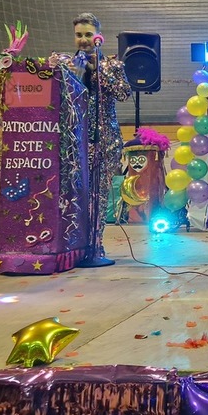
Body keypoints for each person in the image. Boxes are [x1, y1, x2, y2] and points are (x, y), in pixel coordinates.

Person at [49, 13, 131, 265]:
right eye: (78, 35)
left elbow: (124, 92)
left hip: (104, 141)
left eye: (88, 34)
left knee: (98, 195)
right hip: (73, 141)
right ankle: (72, 247)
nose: (83, 40)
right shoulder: (63, 64)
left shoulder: (112, 65)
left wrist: (98, 72)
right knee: (73, 194)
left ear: (98, 36)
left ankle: (95, 248)